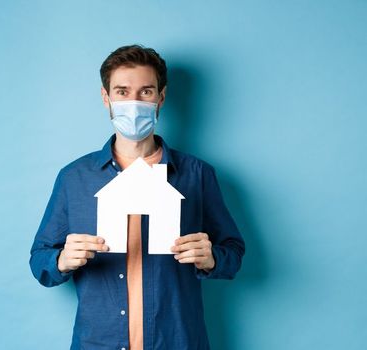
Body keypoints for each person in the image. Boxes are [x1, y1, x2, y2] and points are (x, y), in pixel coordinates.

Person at [28, 44, 245, 350]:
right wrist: (61, 259)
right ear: (106, 98)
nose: (134, 102)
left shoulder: (197, 175)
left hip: (178, 341)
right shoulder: (75, 178)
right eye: (122, 91)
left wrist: (211, 258)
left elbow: (233, 253)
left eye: (145, 92)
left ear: (161, 97)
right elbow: (40, 261)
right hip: (97, 342)